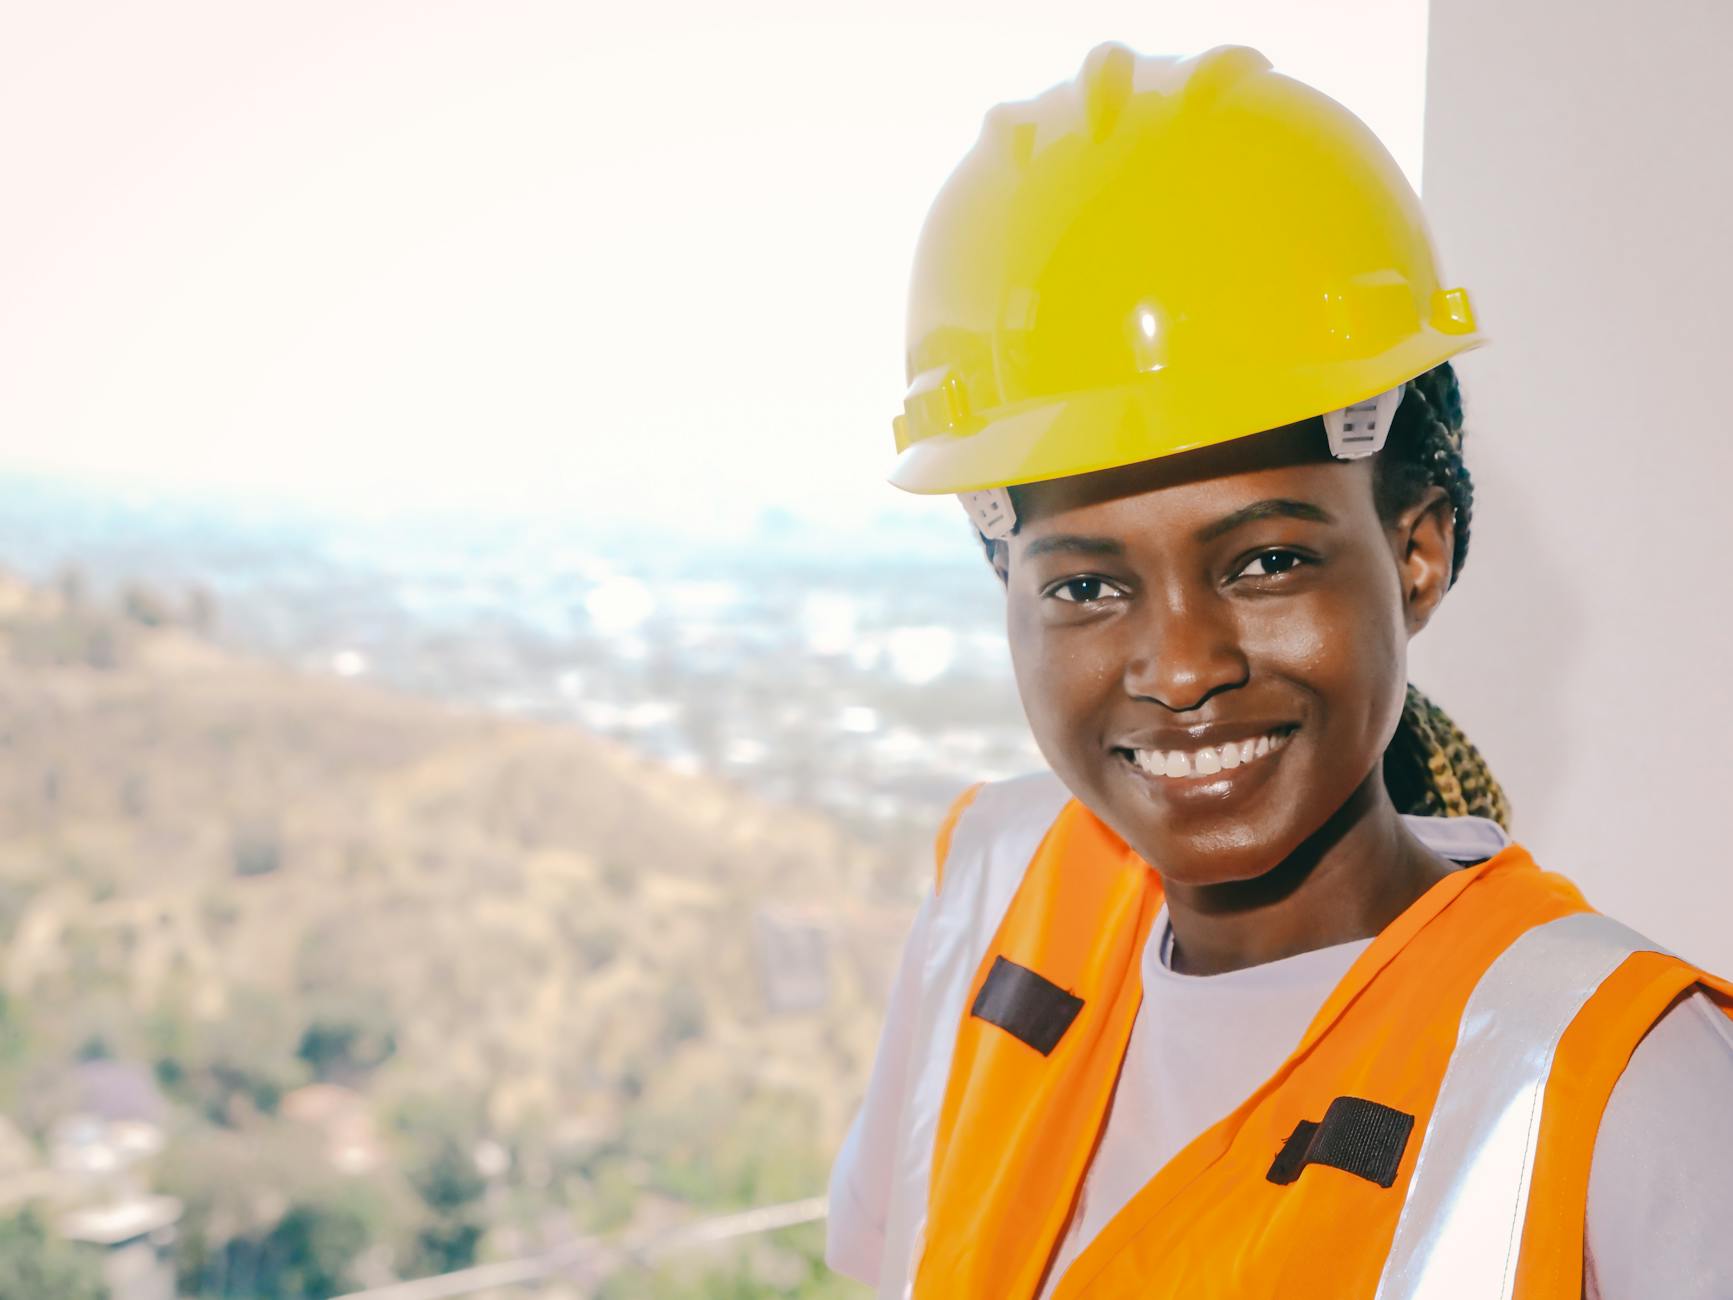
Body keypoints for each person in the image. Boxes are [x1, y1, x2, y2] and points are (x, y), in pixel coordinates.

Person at [824, 42, 1733, 1300]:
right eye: (1086, 585)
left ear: (1414, 551)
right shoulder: (996, 890)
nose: (1181, 666)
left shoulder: (1619, 1085)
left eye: (1261, 562)